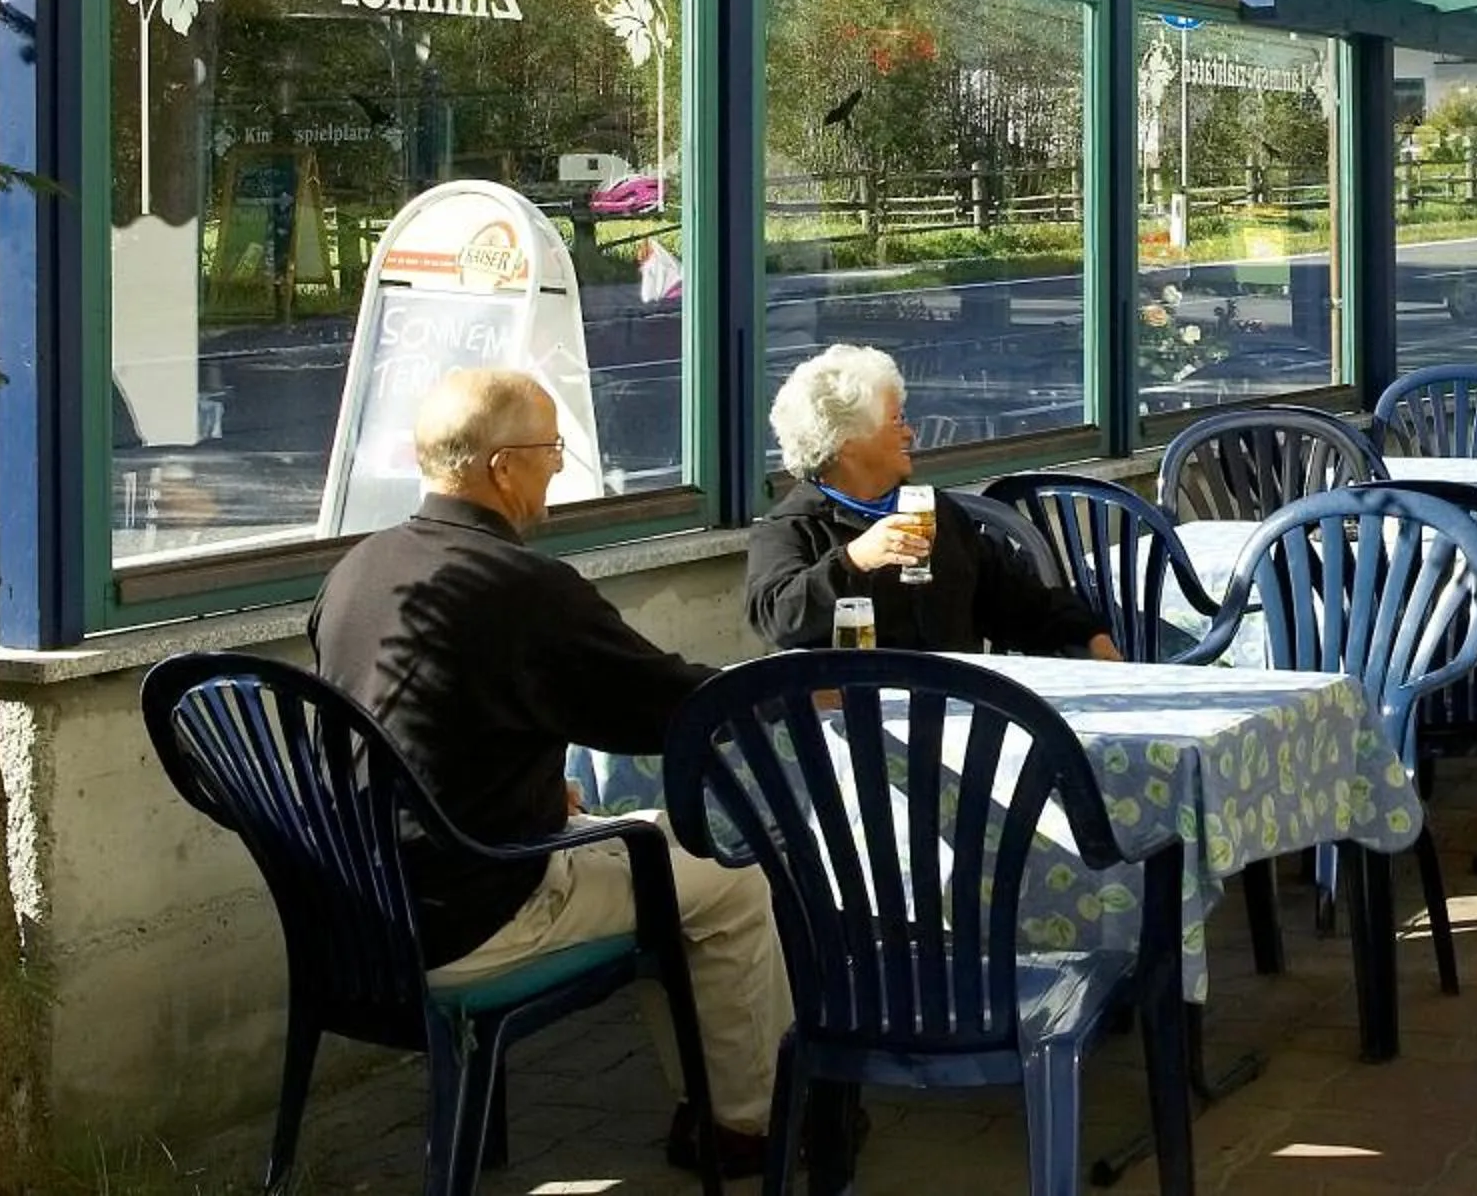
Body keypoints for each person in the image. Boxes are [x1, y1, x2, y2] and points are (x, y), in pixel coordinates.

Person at [308, 367, 786, 1179]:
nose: (559, 468)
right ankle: (745, 1127)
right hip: (475, 915)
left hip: (354, 917)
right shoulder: (520, 589)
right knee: (730, 876)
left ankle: (718, 1103)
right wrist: (784, 695)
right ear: (500, 468)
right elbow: (670, 708)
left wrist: (526, 796)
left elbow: (414, 732)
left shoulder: (356, 570)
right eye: (551, 450)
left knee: (657, 850)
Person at [746, 344, 1119, 658]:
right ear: (848, 442)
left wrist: (1090, 636)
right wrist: (855, 560)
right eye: (896, 421)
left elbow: (1019, 603)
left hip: (960, 718)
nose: (910, 433)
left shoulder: (933, 512)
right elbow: (776, 617)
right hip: (857, 726)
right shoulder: (792, 528)